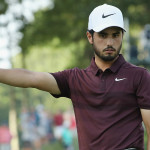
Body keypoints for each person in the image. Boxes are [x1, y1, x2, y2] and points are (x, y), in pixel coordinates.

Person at [0, 4, 150, 150]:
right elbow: (32, 78)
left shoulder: (139, 76)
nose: (110, 42)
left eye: (115, 35)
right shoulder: (75, 79)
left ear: (122, 35)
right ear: (90, 37)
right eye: (103, 35)